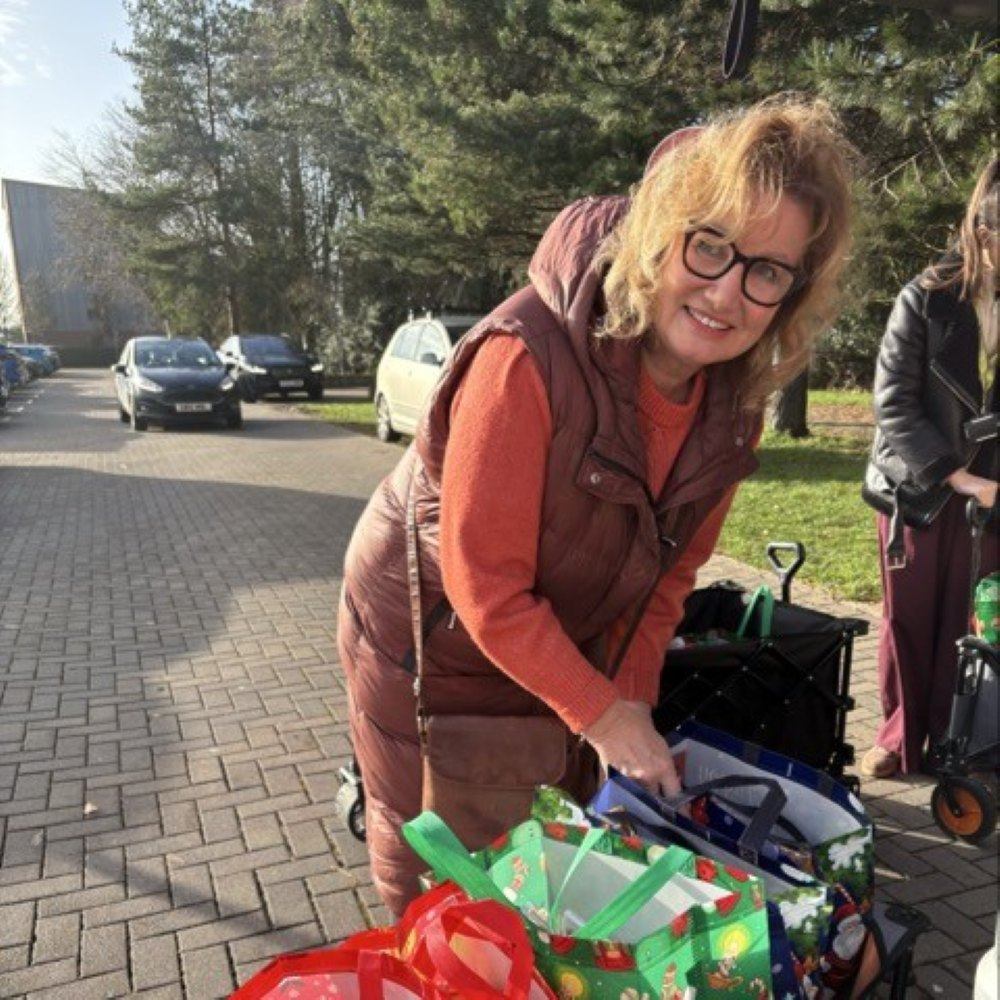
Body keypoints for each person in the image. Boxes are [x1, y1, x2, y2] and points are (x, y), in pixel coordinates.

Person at [339, 95, 856, 914]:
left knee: (554, 864)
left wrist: (631, 710)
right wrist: (603, 717)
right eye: (711, 246)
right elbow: (486, 590)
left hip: (554, 625)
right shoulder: (525, 358)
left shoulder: (733, 406)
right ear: (659, 234)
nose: (727, 294)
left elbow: (666, 588)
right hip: (430, 629)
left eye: (766, 271)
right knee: (454, 887)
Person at [861, 157, 999, 779]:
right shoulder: (926, 296)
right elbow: (893, 401)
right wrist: (955, 475)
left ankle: (959, 739)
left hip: (989, 497)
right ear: (983, 229)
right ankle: (896, 739)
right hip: (917, 489)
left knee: (972, 619)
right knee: (908, 621)